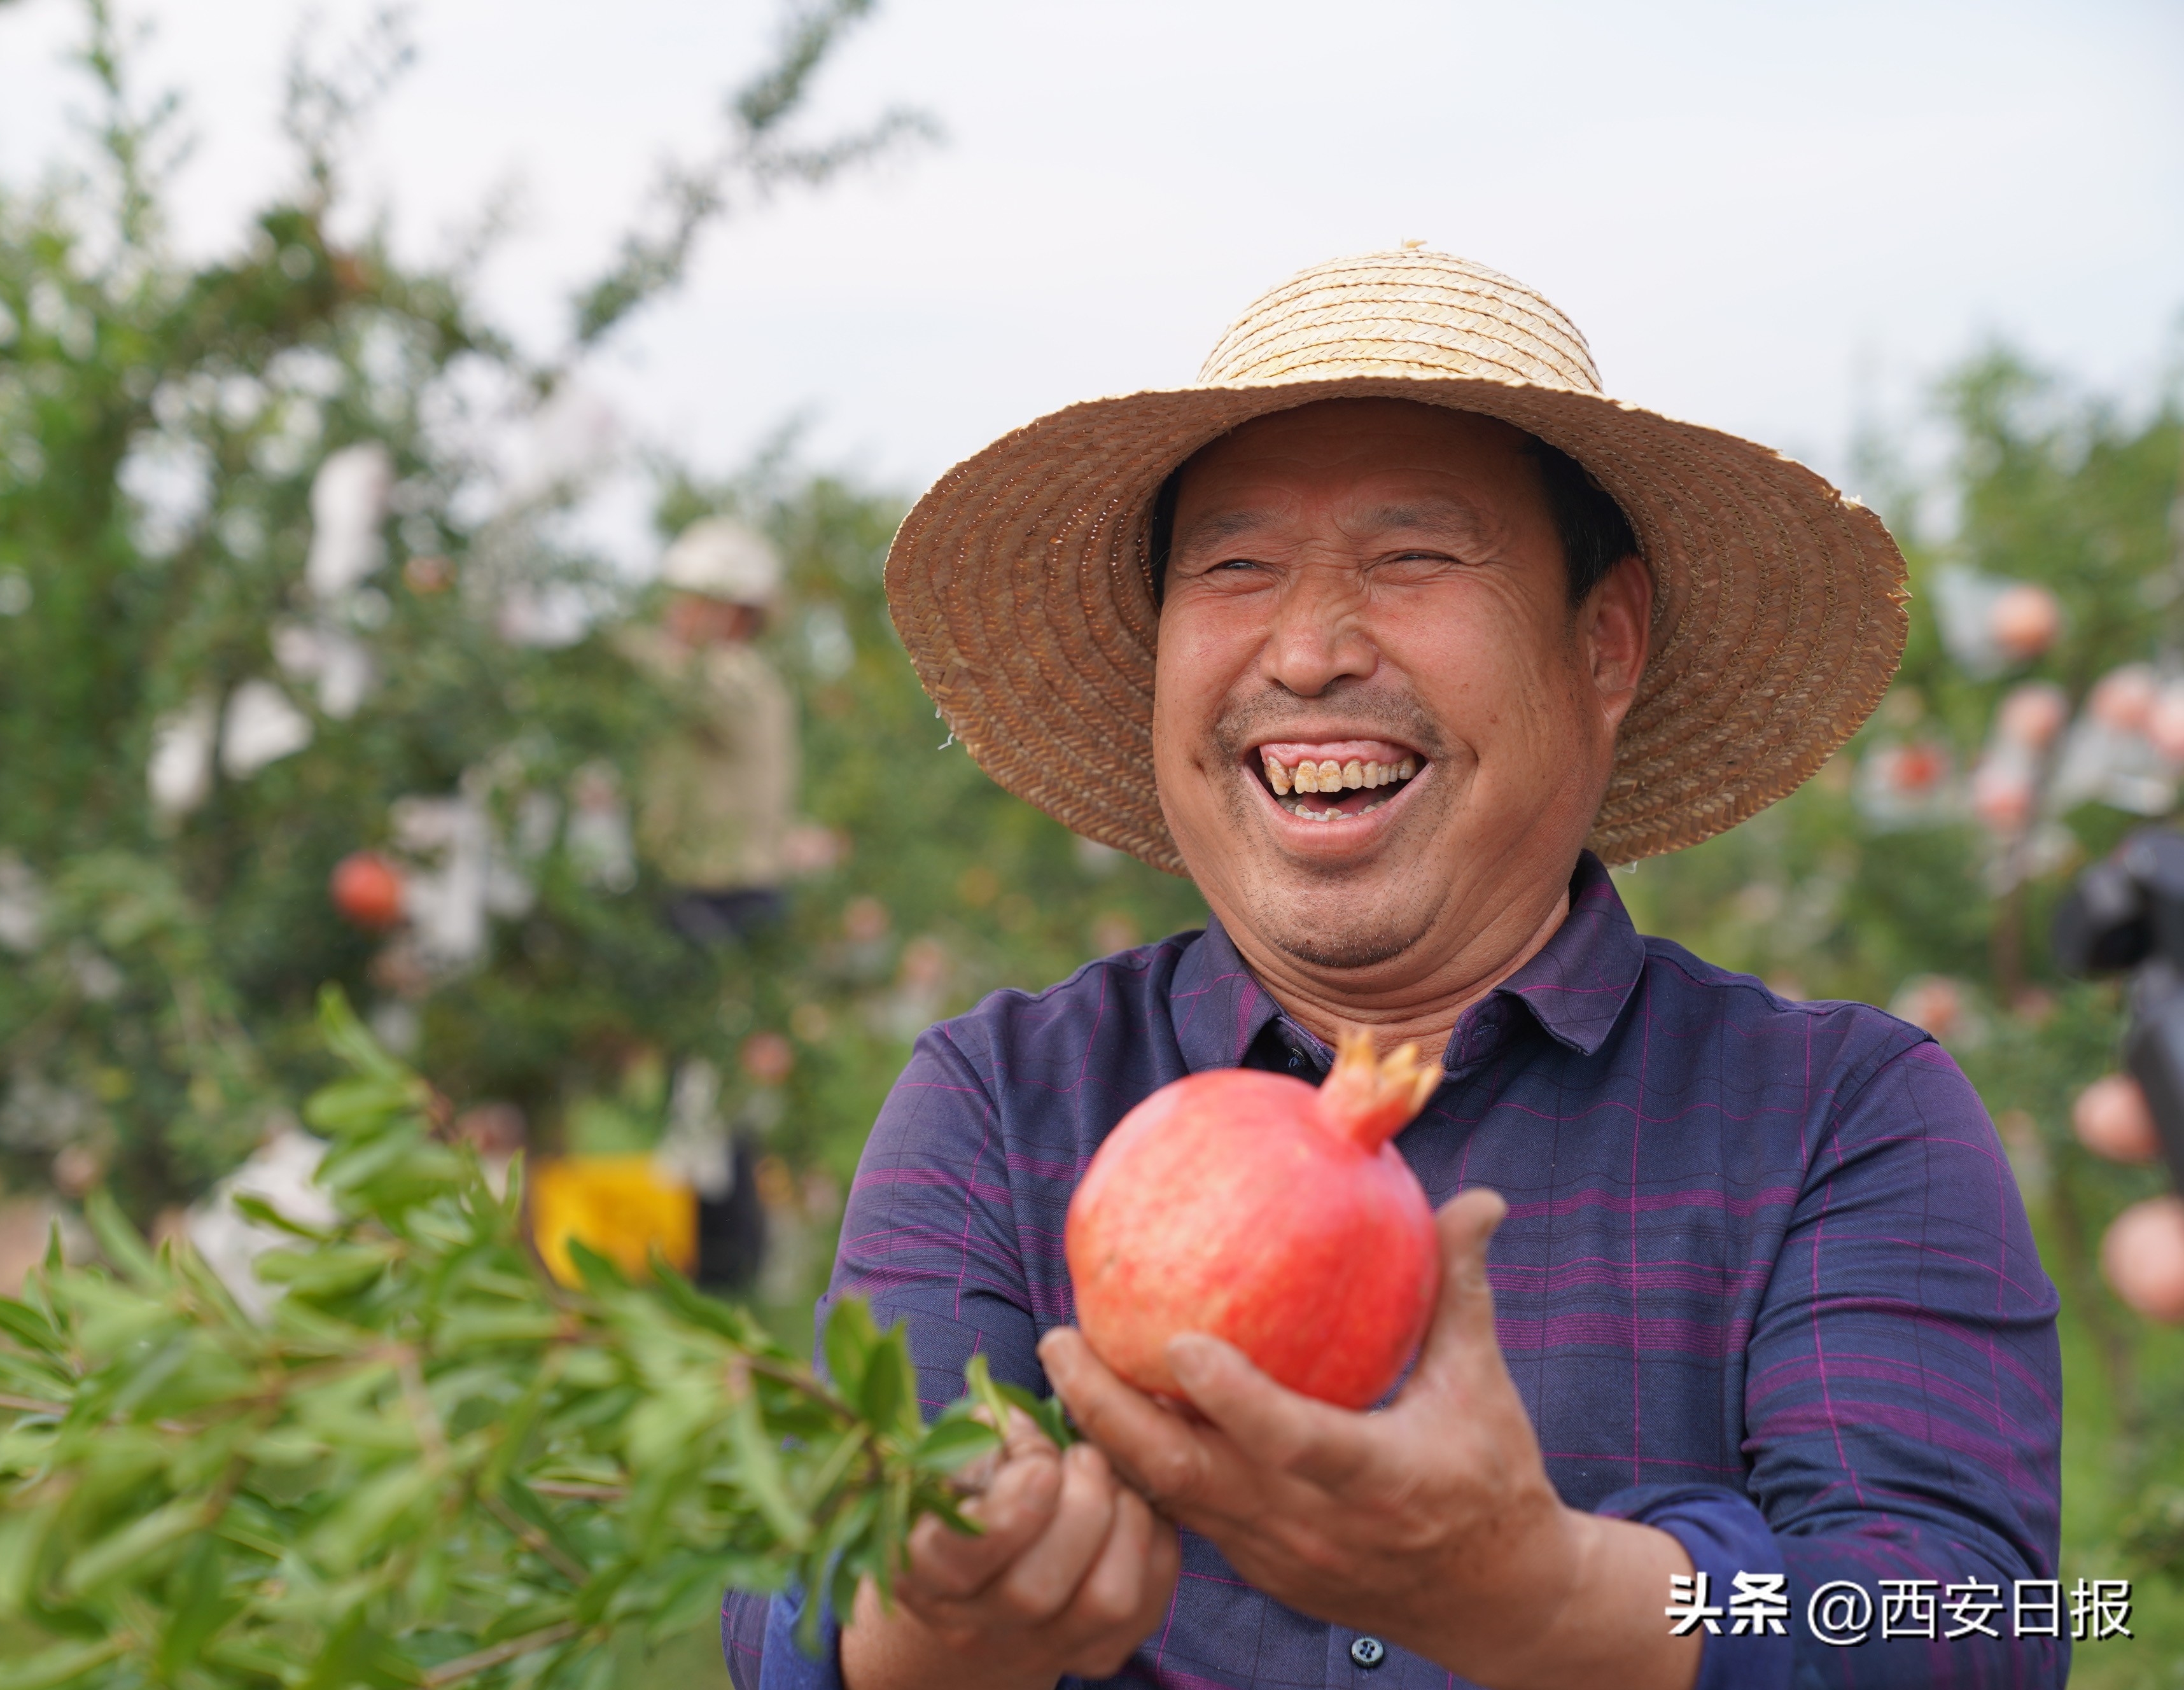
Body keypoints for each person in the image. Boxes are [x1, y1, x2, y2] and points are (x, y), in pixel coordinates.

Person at [722, 249, 2064, 1689]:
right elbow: (794, 1612)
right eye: (1233, 567)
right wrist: (934, 1609)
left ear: (1602, 642)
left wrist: (1557, 1599)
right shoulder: (1002, 1103)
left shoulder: (1836, 1114)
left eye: (1413, 559)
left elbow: (1969, 1625)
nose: (1304, 649)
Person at [624, 515, 802, 1290]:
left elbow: (658, 675)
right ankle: (706, 1254)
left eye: (691, 601)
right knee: (697, 1089)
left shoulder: (733, 681)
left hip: (725, 906)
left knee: (712, 1091)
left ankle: (724, 1265)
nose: (675, 615)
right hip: (704, 901)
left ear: (730, 612)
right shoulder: (723, 680)